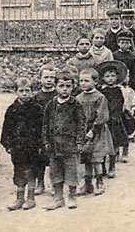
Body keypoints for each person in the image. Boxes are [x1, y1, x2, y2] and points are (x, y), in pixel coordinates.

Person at [41, 68, 85, 210]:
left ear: (73, 87)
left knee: (71, 170)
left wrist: (79, 141)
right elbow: (45, 124)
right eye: (61, 86)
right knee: (55, 171)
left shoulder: (76, 105)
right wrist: (46, 141)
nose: (64, 89)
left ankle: (72, 196)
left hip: (70, 145)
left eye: (68, 86)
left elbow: (81, 124)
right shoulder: (51, 104)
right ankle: (58, 198)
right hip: (54, 146)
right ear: (56, 86)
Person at [0, 76, 43, 211]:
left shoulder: (37, 109)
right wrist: (7, 144)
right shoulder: (12, 109)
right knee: (19, 171)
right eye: (21, 91)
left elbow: (42, 128)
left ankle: (30, 198)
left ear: (32, 91)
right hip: (17, 147)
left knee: (31, 171)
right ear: (16, 91)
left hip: (32, 147)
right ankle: (19, 198)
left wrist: (41, 145)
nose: (24, 94)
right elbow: (6, 128)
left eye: (27, 90)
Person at [75, 68, 113, 196]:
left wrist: (93, 130)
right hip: (83, 131)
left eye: (86, 80)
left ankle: (99, 182)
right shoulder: (78, 98)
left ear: (95, 81)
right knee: (85, 158)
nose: (83, 83)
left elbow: (102, 116)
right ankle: (88, 184)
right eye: (81, 81)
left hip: (97, 131)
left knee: (96, 159)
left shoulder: (99, 97)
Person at [96, 61, 128, 179]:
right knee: (102, 144)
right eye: (107, 76)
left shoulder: (118, 90)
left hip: (114, 120)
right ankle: (103, 166)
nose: (110, 79)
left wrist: (114, 115)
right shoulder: (101, 91)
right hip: (104, 120)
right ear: (103, 78)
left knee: (113, 144)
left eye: (113, 76)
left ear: (117, 77)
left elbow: (119, 104)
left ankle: (112, 166)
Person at [32, 65, 58, 196]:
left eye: (52, 77)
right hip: (40, 132)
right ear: (40, 79)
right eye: (46, 77)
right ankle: (40, 183)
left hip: (55, 132)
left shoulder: (58, 95)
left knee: (54, 160)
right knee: (39, 159)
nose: (49, 80)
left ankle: (55, 185)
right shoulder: (36, 97)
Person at [112, 31, 135, 128]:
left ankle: (131, 128)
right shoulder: (115, 55)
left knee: (130, 104)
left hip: (129, 83)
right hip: (117, 82)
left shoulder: (133, 56)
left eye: (127, 43)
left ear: (130, 44)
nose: (124, 45)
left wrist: (131, 80)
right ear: (118, 43)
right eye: (122, 42)